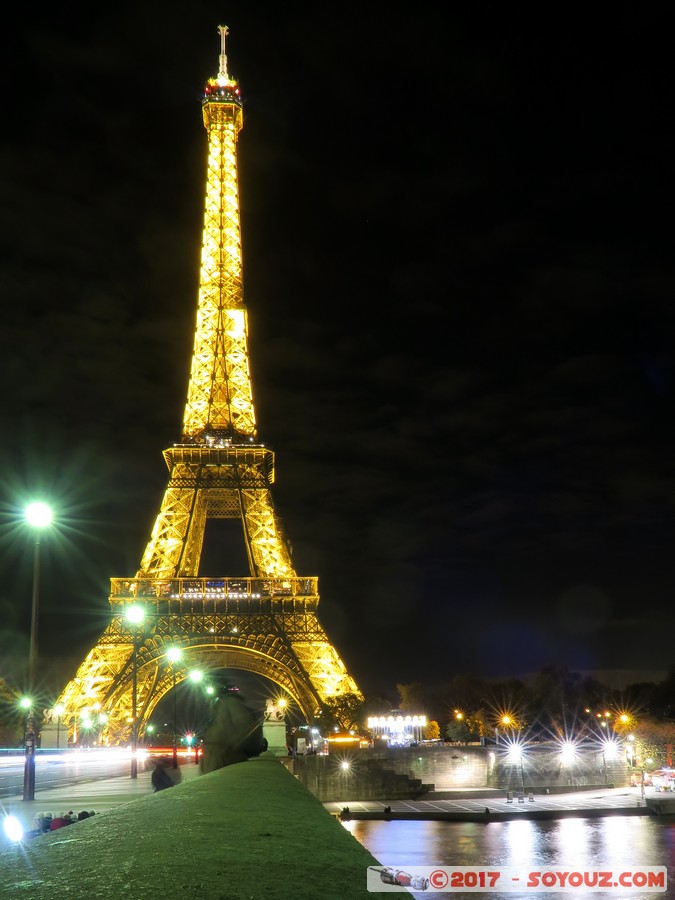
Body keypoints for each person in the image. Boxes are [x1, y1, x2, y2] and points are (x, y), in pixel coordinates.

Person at [200, 686, 266, 774]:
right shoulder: (236, 705)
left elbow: (241, 732)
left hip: (222, 759)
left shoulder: (228, 704)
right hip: (228, 759)